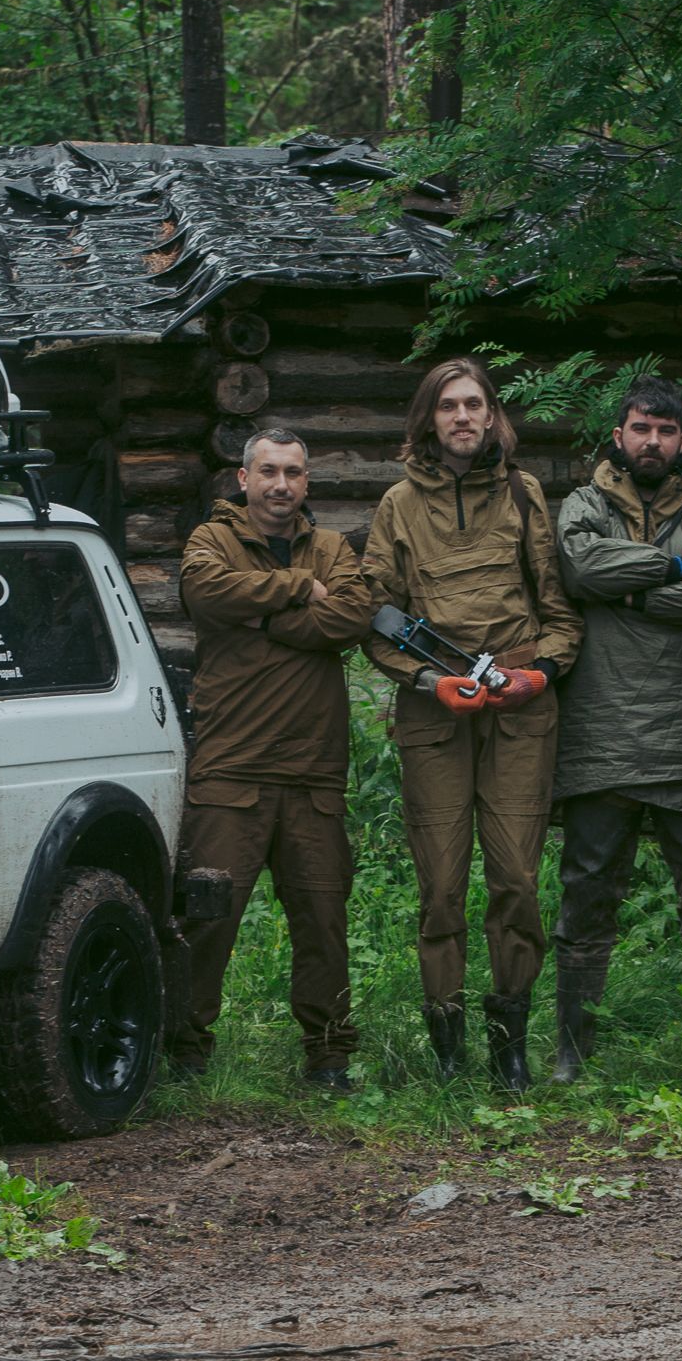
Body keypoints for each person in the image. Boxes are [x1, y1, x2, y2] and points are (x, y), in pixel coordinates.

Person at [364, 358, 583, 1090]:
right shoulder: (398, 504)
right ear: (428, 418)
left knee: (517, 878)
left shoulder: (524, 493)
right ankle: (449, 1047)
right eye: (448, 406)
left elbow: (559, 615)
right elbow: (376, 622)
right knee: (440, 886)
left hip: (520, 712)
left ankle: (509, 1043)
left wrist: (537, 674)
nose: (463, 417)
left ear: (492, 416)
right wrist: (430, 679)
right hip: (436, 714)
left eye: (475, 404)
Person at [169, 430, 376, 1090]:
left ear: (307, 482)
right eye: (268, 471)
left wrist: (258, 616)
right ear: (243, 477)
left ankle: (329, 1057)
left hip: (314, 772)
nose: (281, 484)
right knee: (206, 920)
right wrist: (295, 588)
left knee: (323, 923)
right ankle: (182, 1050)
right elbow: (206, 594)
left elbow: (350, 618)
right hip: (231, 767)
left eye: (292, 473)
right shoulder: (211, 541)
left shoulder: (334, 548)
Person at [548, 375, 682, 1078]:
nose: (651, 441)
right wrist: (676, 570)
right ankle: (573, 1049)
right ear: (619, 435)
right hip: (601, 733)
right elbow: (579, 566)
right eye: (640, 428)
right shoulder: (582, 504)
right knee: (588, 895)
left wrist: (628, 595)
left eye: (664, 430)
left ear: (681, 439)